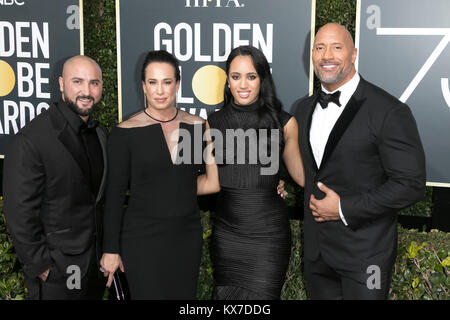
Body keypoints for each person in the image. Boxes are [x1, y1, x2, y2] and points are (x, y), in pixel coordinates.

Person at [293, 23, 426, 299]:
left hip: (366, 258)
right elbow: (312, 170)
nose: (326, 55)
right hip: (317, 257)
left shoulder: (388, 111)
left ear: (354, 54)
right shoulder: (303, 109)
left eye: (336, 47)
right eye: (319, 47)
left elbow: (410, 184)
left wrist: (344, 208)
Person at [100, 50, 219, 299]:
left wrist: (269, 182)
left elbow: (205, 183)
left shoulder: (198, 126)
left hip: (186, 237)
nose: (160, 90)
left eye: (167, 82)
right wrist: (111, 249)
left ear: (177, 84)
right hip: (141, 240)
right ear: (143, 86)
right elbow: (114, 196)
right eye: (153, 83)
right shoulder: (125, 132)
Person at [2, 55, 108, 300]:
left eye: (94, 83)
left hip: (94, 269)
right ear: (61, 84)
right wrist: (43, 268)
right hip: (56, 274)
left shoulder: (100, 133)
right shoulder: (32, 139)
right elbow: (19, 212)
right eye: (77, 82)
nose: (86, 91)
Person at [207, 45, 304, 300]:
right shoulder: (213, 122)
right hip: (227, 234)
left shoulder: (284, 123)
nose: (243, 85)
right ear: (227, 79)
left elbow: (301, 174)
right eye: (235, 76)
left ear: (263, 79)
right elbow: (207, 180)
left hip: (267, 237)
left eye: (251, 76)